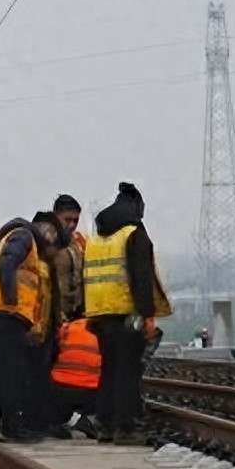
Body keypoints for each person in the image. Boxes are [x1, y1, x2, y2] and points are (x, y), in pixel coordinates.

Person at [84, 182, 172, 445]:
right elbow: (141, 277)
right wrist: (147, 315)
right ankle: (126, 427)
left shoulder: (97, 239)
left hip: (99, 314)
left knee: (109, 370)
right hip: (126, 313)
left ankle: (105, 425)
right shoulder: (134, 233)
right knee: (128, 371)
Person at [0, 212, 67, 443]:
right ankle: (11, 428)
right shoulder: (23, 236)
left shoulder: (22, 240)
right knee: (9, 373)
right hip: (6, 313)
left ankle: (15, 426)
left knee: (12, 372)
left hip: (6, 314)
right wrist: (11, 300)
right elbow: (9, 261)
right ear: (49, 233)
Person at [50, 318, 101, 440]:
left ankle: (72, 420)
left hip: (60, 389)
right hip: (93, 393)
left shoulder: (66, 329)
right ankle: (83, 420)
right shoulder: (102, 330)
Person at [51, 194, 87, 324]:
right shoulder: (46, 242)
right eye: (67, 220)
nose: (72, 225)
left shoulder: (78, 244)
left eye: (76, 220)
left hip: (76, 314)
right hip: (54, 316)